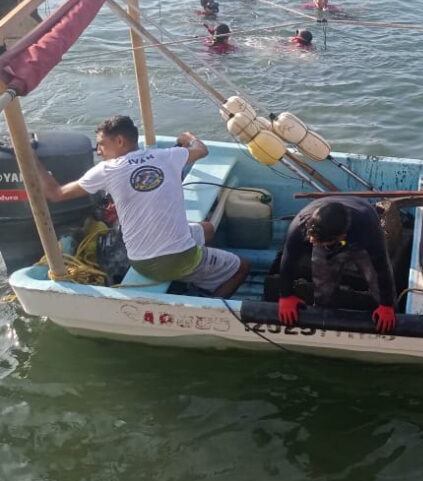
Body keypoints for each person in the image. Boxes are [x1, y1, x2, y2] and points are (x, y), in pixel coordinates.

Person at [37, 116, 250, 296]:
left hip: (141, 260)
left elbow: (56, 194)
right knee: (242, 266)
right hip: (177, 260)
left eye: (101, 144)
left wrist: (32, 161)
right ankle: (210, 306)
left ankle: (200, 275)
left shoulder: (106, 170)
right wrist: (189, 137)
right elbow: (201, 150)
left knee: (207, 229)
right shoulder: (168, 156)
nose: (98, 151)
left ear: (119, 141)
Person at [275, 197, 398, 333]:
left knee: (375, 277)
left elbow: (381, 265)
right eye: (312, 238)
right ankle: (323, 311)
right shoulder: (301, 224)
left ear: (341, 236)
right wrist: (285, 295)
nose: (311, 241)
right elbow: (288, 258)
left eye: (318, 241)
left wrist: (387, 304)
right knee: (322, 281)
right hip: (327, 236)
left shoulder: (367, 227)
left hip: (360, 242)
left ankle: (391, 311)